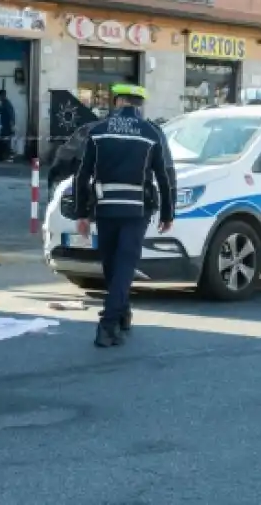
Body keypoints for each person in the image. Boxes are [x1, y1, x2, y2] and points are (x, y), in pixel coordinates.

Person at [74, 84, 175, 348]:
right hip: (136, 210)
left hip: (106, 207)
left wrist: (81, 213)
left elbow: (82, 175)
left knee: (111, 264)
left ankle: (121, 313)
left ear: (117, 101)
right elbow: (163, 175)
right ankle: (108, 324)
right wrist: (167, 212)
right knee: (125, 265)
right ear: (139, 104)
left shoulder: (98, 130)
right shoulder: (151, 132)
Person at [0, 89, 16, 160]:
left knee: (6, 142)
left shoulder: (7, 104)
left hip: (7, 126)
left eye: (0, 96)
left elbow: (11, 115)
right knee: (4, 141)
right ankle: (6, 156)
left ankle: (9, 156)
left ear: (3, 95)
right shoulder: (3, 103)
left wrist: (12, 126)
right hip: (4, 126)